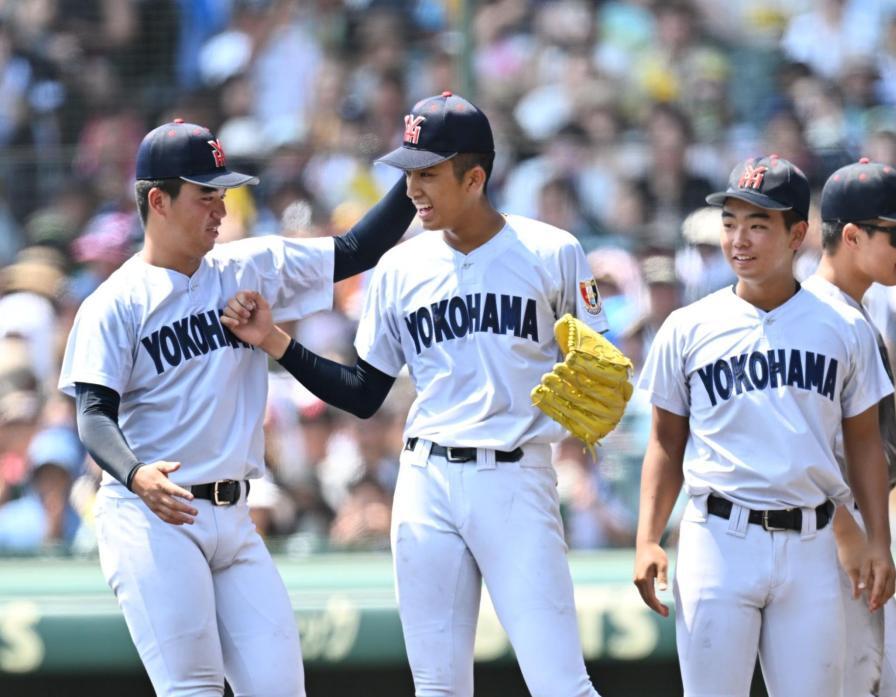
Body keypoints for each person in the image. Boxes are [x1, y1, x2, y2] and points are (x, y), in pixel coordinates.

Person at [221, 92, 603, 696]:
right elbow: (364, 393)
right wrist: (274, 341)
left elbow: (599, 369)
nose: (411, 190)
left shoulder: (552, 251)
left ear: (474, 178)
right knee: (437, 688)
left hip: (516, 477)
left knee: (561, 684)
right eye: (408, 173)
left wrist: (591, 402)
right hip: (426, 480)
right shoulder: (399, 267)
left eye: (427, 174)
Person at [57, 119, 414, 697]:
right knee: (192, 689)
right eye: (206, 196)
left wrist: (419, 164)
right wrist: (136, 473)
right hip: (154, 518)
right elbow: (93, 413)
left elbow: (358, 249)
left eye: (223, 194)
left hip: (237, 515)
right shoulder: (114, 303)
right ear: (158, 201)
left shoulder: (247, 266)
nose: (221, 209)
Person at [632, 154, 896, 696]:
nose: (739, 239)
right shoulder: (687, 326)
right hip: (718, 538)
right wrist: (647, 538)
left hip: (811, 543)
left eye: (757, 224)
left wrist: (880, 541)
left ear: (797, 234)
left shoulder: (843, 327)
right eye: (730, 222)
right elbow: (665, 442)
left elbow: (866, 444)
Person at [806, 157, 896, 697]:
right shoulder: (817, 318)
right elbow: (805, 448)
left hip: (847, 530)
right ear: (851, 236)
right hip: (824, 534)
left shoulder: (850, 312)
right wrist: (853, 535)